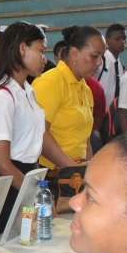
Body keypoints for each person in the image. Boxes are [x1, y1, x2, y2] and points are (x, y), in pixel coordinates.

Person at [0, 22, 47, 235]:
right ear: (22, 48)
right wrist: (35, 193)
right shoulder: (3, 97)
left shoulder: (27, 91)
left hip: (29, 176)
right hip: (12, 184)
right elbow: (3, 164)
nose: (44, 58)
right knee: (13, 244)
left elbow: (40, 137)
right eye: (40, 51)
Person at [32, 26, 103, 169]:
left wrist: (89, 171)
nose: (100, 62)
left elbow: (85, 141)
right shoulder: (50, 82)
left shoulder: (86, 89)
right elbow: (39, 134)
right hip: (51, 176)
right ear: (75, 53)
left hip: (75, 174)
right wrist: (72, 168)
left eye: (102, 57)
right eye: (94, 56)